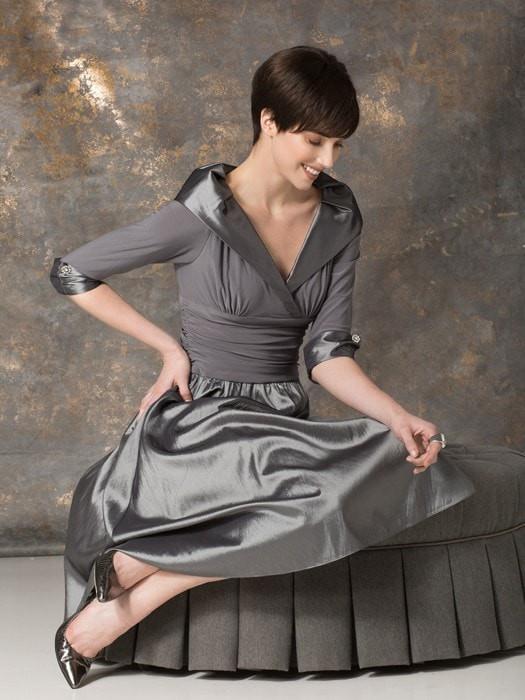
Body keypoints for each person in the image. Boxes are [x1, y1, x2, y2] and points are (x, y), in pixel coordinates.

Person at [50, 46, 479, 689]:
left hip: (279, 420)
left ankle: (132, 575)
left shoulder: (338, 218)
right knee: (307, 491)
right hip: (198, 422)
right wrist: (168, 349)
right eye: (315, 141)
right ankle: (102, 618)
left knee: (395, 455)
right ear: (269, 122)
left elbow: (326, 354)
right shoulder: (198, 216)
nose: (329, 161)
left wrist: (398, 415)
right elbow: (73, 271)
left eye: (338, 145)